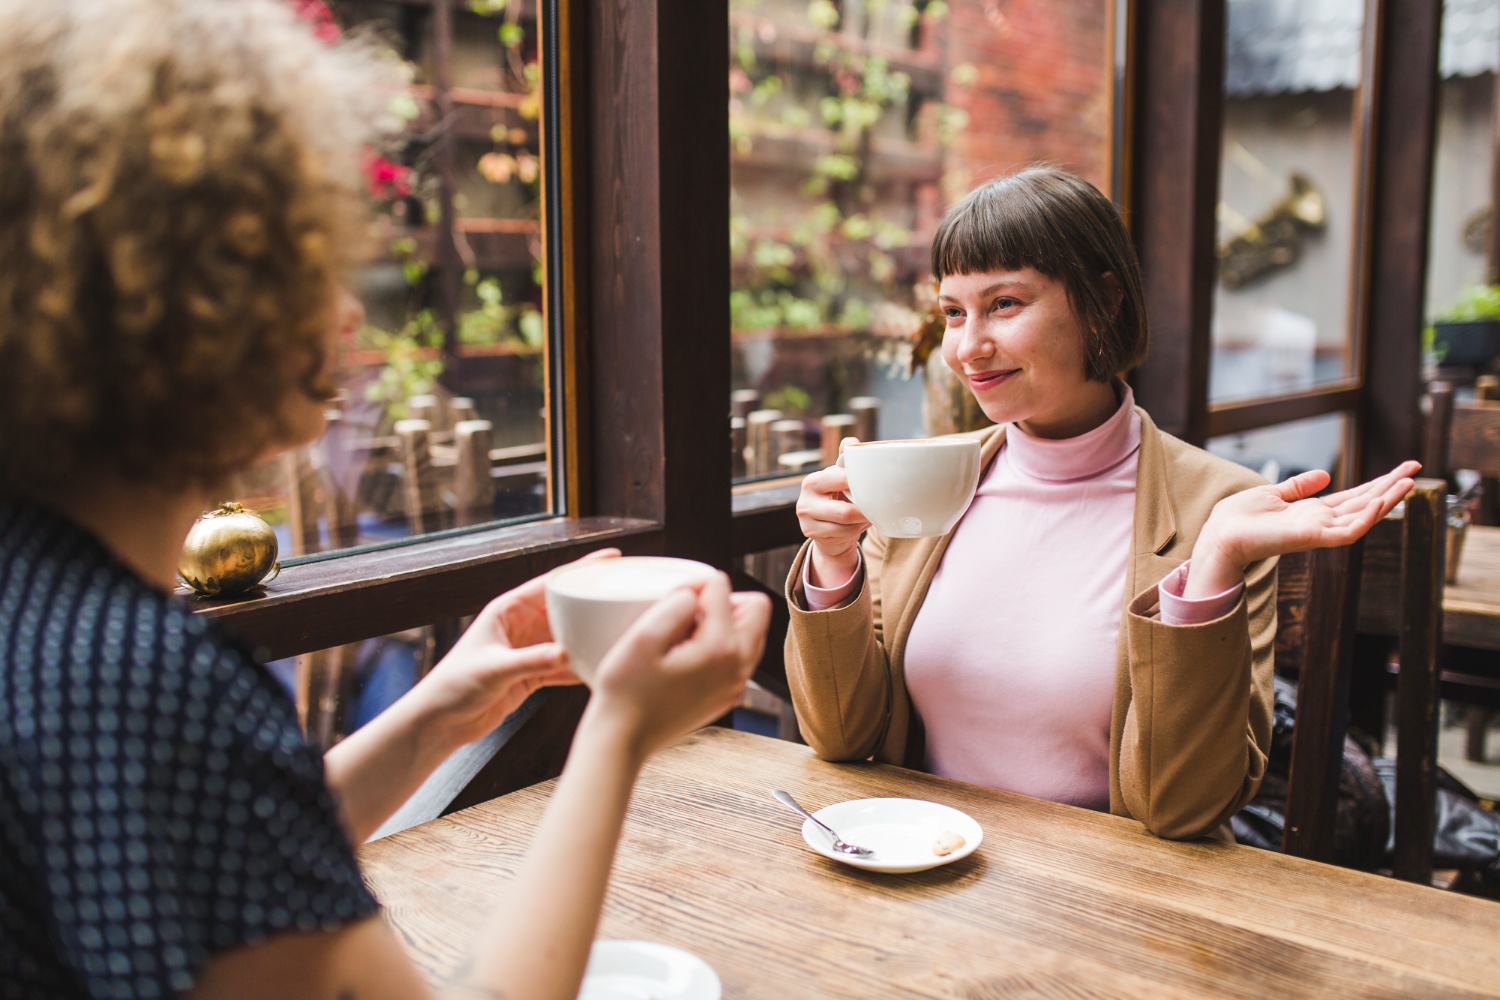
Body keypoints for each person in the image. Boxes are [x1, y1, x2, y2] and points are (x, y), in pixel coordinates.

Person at [0, 2, 772, 998]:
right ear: (185, 300)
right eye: (308, 265)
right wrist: (619, 733)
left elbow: (229, 848)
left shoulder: (47, 609)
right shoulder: (150, 683)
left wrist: (446, 706)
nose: (350, 310)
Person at [786, 167, 1416, 841]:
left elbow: (1184, 807)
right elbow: (843, 738)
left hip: (1115, 906)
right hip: (923, 866)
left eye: (1004, 305)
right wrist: (833, 559)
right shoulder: (925, 480)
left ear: (1101, 300)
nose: (968, 347)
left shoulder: (1220, 507)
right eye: (952, 312)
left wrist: (1212, 568)